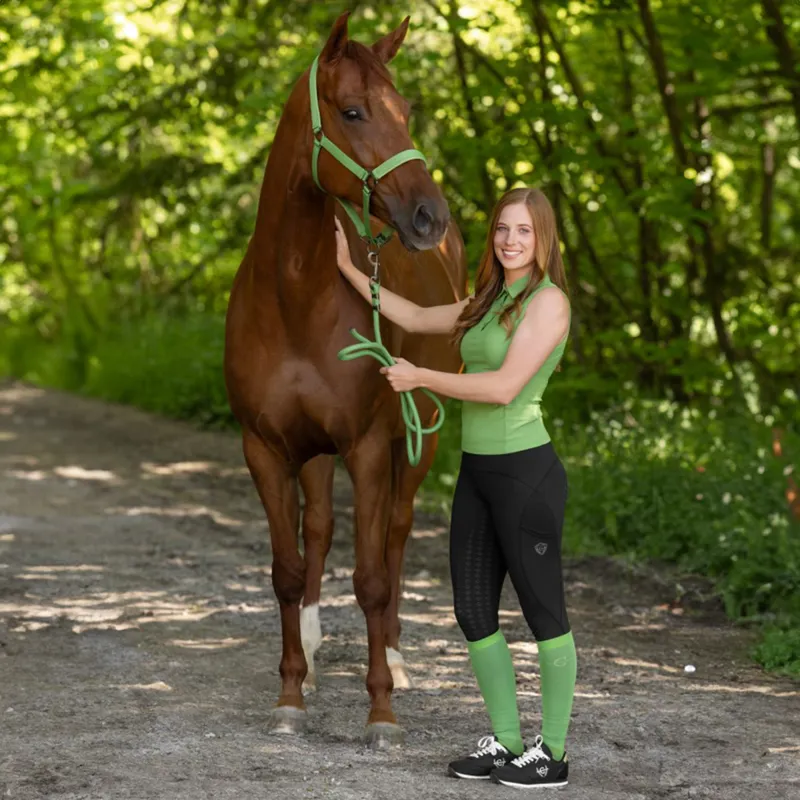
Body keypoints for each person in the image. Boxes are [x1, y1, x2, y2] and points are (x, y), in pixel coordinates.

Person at [334, 187, 576, 789]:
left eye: (523, 230)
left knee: (544, 614)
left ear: (543, 238)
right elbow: (414, 317)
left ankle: (553, 753)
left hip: (526, 473)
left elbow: (502, 387)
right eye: (502, 229)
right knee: (472, 612)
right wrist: (345, 265)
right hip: (478, 475)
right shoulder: (487, 300)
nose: (510, 241)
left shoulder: (547, 304)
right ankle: (508, 740)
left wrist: (419, 377)